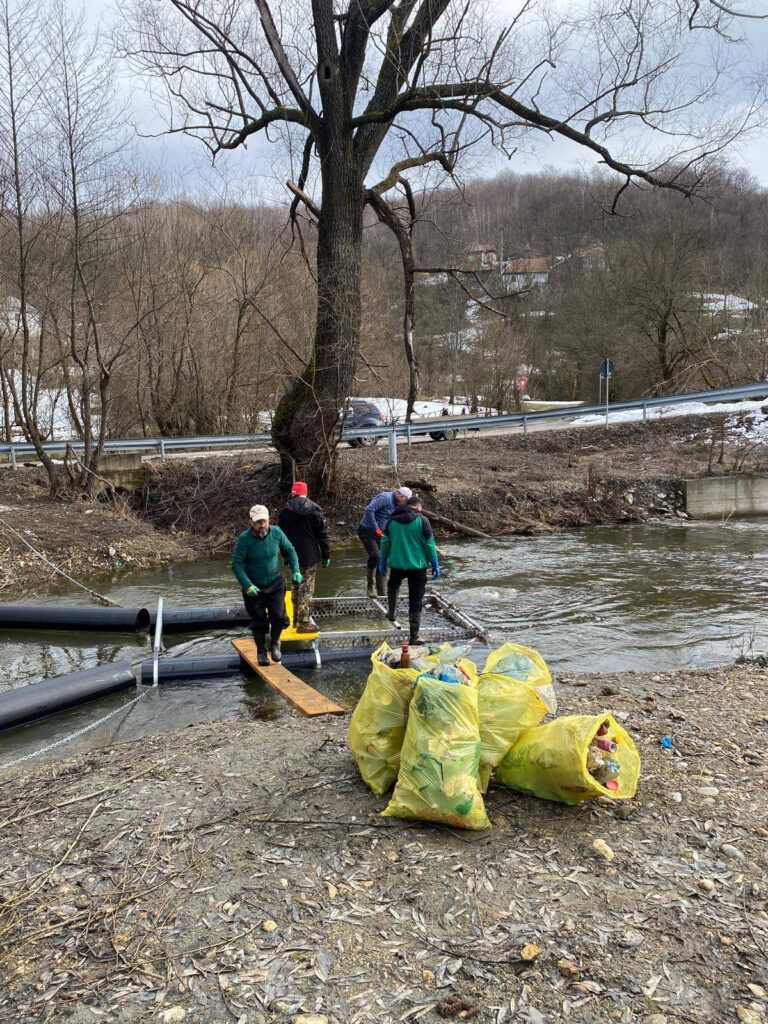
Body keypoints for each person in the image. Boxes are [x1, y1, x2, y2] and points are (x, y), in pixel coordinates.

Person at [231, 503, 302, 666]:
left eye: (264, 521)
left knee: (278, 617)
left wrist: (296, 570)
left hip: (275, 583)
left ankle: (275, 642)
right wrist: (247, 585)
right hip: (253, 587)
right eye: (258, 522)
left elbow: (290, 550)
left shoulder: (276, 532)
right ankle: (261, 651)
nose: (262, 525)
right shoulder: (244, 540)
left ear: (269, 519)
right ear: (251, 522)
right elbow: (236, 565)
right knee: (259, 621)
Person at [378, 494, 440, 644]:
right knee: (415, 599)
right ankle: (414, 637)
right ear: (418, 506)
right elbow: (429, 544)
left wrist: (382, 561)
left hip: (397, 564)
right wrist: (435, 563)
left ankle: (392, 613)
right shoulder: (422, 520)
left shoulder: (392, 520)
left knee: (393, 587)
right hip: (417, 566)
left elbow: (385, 541)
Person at [278, 481, 331, 633]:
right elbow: (322, 535)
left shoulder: (285, 511)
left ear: (293, 493)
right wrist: (326, 554)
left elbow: (281, 537)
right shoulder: (314, 510)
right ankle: (303, 624)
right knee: (306, 589)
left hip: (292, 554)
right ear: (305, 492)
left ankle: (295, 620)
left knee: (295, 586)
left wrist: (284, 554)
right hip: (310, 555)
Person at [358, 485, 412, 597]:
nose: (405, 503)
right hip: (367, 530)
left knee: (384, 560)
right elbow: (369, 510)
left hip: (381, 533)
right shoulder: (385, 498)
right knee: (375, 556)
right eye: (405, 501)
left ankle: (382, 592)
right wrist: (376, 527)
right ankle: (370, 588)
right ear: (401, 496)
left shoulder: (398, 505)